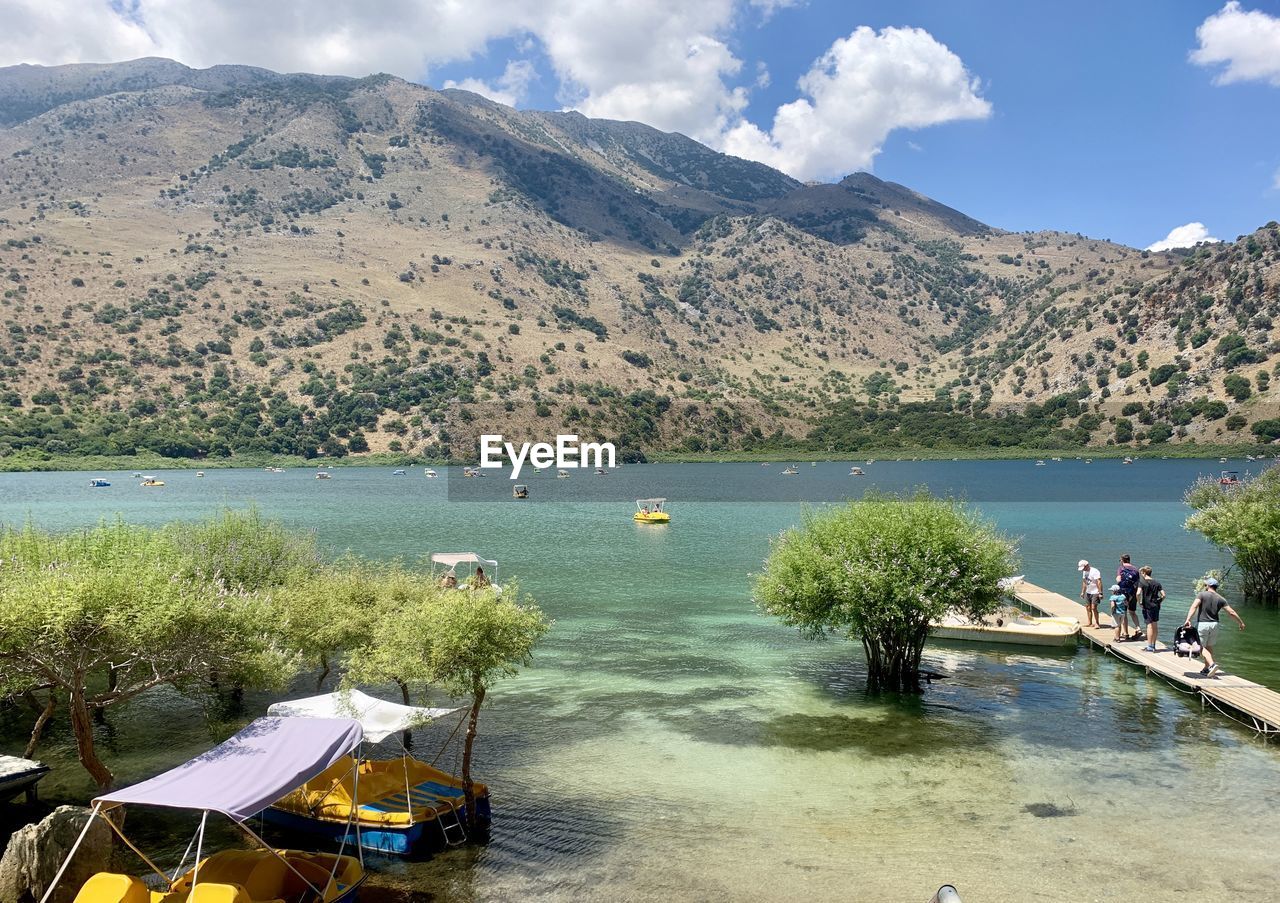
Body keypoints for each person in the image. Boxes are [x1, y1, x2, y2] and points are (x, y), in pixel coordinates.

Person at [1183, 577, 1245, 677]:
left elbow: (1194, 606)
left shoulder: (1202, 594)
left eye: (1206, 585)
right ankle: (1206, 669)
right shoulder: (1221, 598)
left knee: (1199, 647)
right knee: (1209, 646)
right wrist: (1240, 622)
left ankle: (1212, 664)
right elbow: (1231, 612)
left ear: (1208, 586)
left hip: (1203, 624)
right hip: (1215, 625)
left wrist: (1188, 619)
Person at [1137, 565, 1164, 652]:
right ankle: (1153, 645)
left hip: (1147, 605)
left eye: (1141, 573)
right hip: (1155, 605)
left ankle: (1149, 646)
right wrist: (1159, 601)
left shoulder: (1142, 582)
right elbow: (1164, 595)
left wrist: (1139, 602)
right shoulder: (1157, 583)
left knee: (1149, 625)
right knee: (1155, 625)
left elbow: (1138, 593)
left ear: (1144, 573)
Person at [1116, 555, 1142, 641]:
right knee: (1132, 612)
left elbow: (1118, 580)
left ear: (1122, 560)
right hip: (1133, 593)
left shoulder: (1121, 568)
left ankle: (1126, 633)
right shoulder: (1136, 569)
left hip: (1124, 593)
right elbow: (1138, 582)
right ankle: (1138, 628)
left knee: (1124, 613)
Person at [1078, 559, 1102, 628]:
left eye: (1083, 568)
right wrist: (1082, 592)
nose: (1083, 570)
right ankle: (1090, 622)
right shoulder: (1084, 572)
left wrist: (1100, 593)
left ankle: (1097, 623)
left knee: (1093, 608)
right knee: (1087, 607)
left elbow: (1099, 582)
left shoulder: (1095, 571)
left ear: (1087, 565)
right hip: (1088, 592)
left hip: (1095, 592)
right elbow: (1084, 582)